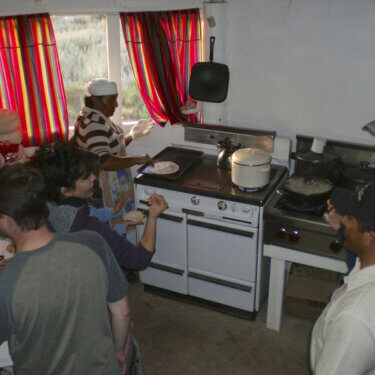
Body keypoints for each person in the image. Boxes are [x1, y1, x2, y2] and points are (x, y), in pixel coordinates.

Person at [0, 164, 130, 374]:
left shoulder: (7, 283)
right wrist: (118, 351)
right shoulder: (93, 242)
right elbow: (122, 313)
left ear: (6, 220)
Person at [28, 141, 168, 271]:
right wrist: (153, 216)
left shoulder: (43, 203)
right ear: (66, 191)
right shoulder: (88, 228)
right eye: (85, 178)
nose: (93, 178)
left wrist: (122, 223)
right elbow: (139, 260)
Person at [73, 78, 155, 282]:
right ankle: (116, 275)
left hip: (113, 187)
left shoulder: (97, 117)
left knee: (118, 227)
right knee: (110, 235)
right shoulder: (93, 123)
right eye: (112, 100)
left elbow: (109, 146)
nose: (116, 105)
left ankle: (122, 269)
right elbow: (104, 161)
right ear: (97, 100)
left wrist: (132, 136)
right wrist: (139, 159)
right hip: (102, 190)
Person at [310, 182, 375, 375]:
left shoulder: (354, 318)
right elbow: (360, 252)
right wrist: (343, 229)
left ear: (370, 238)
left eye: (350, 218)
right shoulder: (365, 263)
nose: (344, 220)